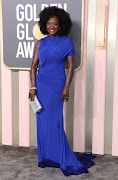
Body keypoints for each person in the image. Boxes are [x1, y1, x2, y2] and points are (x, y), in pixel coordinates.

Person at [29, 6, 96, 176]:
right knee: (42, 120)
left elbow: (71, 67)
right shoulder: (41, 43)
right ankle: (46, 157)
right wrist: (33, 86)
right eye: (49, 23)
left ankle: (59, 156)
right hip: (41, 84)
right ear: (45, 24)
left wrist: (66, 87)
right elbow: (33, 66)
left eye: (55, 24)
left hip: (57, 84)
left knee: (55, 121)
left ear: (61, 26)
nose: (52, 26)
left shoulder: (67, 42)